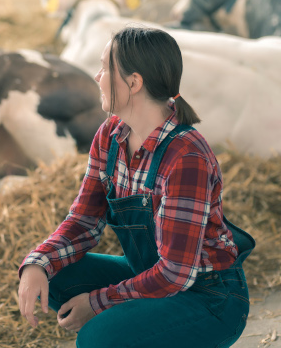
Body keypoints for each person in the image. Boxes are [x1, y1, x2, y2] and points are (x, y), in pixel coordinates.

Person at [17, 26, 255, 347]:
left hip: (209, 297)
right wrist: (38, 263)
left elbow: (175, 274)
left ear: (134, 82)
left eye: (104, 68)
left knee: (98, 338)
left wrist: (99, 302)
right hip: (150, 275)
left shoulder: (186, 156)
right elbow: (84, 221)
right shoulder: (111, 134)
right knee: (55, 276)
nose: (97, 77)